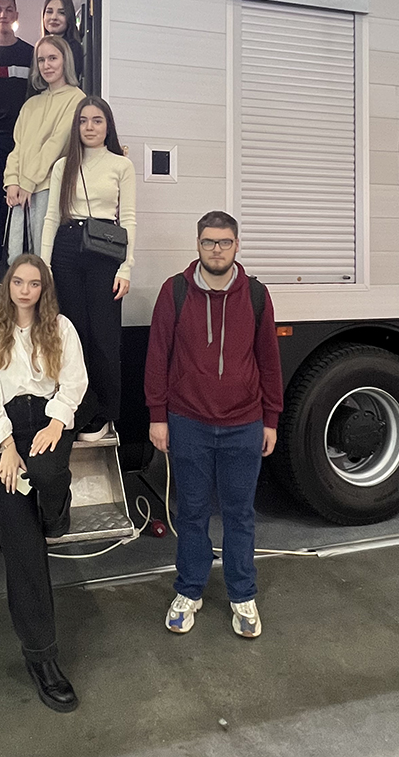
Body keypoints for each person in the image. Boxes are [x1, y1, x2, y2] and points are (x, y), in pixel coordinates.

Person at [143, 211, 283, 639]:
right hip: (188, 423)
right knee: (191, 513)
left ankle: (243, 594)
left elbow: (269, 360)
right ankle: (189, 590)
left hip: (245, 424)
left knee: (240, 515)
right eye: (209, 242)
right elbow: (157, 356)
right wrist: (157, 416)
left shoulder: (256, 295)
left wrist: (271, 419)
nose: (216, 249)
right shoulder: (175, 291)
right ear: (198, 245)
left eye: (224, 242)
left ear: (237, 245)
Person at [0, 253, 88, 713]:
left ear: (44, 289)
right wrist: (6, 446)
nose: (25, 290)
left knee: (44, 472)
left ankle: (56, 512)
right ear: (8, 286)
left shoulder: (61, 327)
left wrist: (57, 422)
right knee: (22, 550)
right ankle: (42, 658)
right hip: (3, 430)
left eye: (34, 283)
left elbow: (74, 382)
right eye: (18, 282)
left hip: (47, 418)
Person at [41, 96, 135, 441]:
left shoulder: (121, 165)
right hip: (67, 248)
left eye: (97, 120)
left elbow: (128, 219)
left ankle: (106, 413)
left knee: (104, 336)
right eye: (83, 121)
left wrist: (126, 267)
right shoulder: (63, 166)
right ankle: (79, 407)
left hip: (104, 249)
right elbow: (51, 217)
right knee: (72, 332)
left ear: (108, 126)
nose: (90, 127)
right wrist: (45, 266)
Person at [3, 36, 84, 261]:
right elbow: (18, 147)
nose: (46, 65)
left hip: (49, 188)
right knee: (15, 258)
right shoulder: (31, 104)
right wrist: (11, 181)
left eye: (52, 58)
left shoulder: (77, 99)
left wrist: (28, 181)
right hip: (21, 189)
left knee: (43, 256)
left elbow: (55, 145)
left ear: (65, 60)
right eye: (41, 60)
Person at [0, 0, 35, 264]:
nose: (3, 14)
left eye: (8, 9)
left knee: (24, 201)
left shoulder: (31, 54)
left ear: (16, 15)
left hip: (25, 141)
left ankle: (22, 261)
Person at [40, 0, 84, 80]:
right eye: (49, 12)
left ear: (69, 18)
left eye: (62, 13)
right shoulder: (39, 48)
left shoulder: (73, 48)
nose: (54, 17)